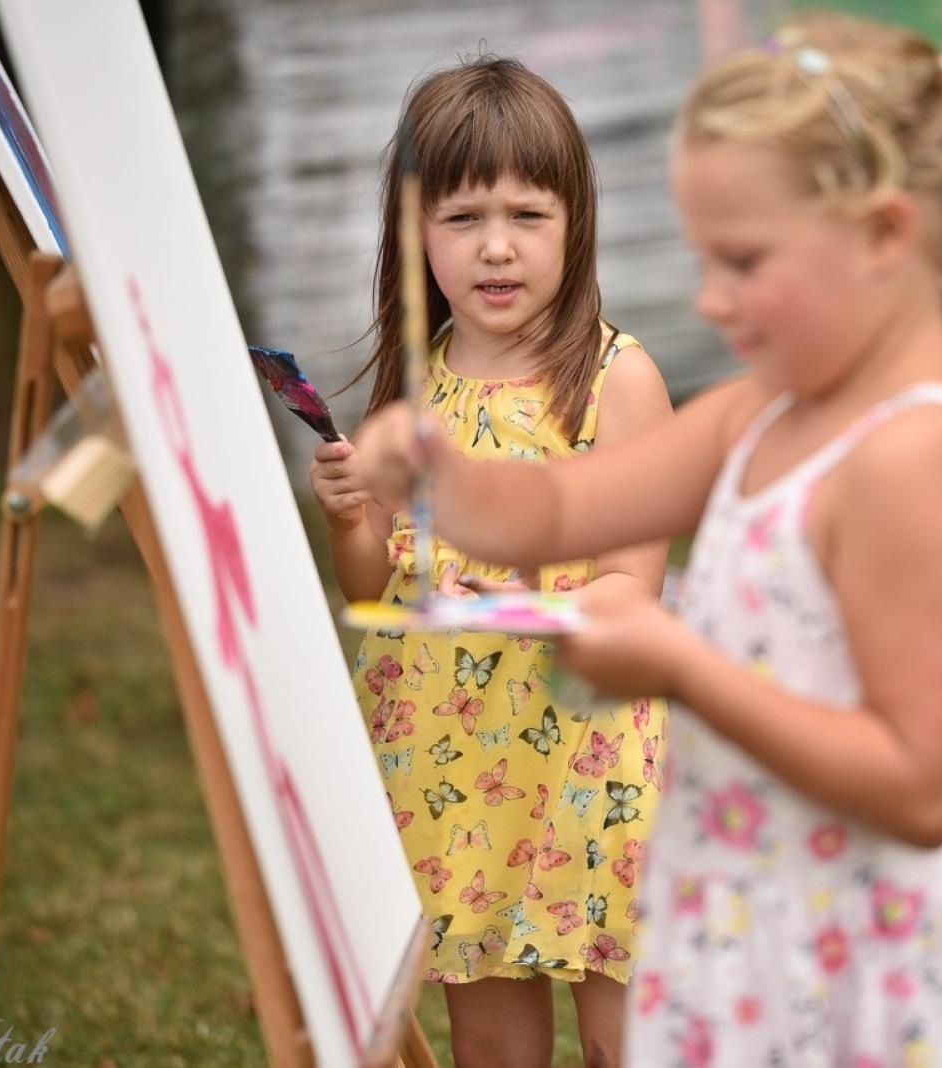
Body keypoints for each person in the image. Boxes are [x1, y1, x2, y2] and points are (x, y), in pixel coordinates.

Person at [350, 13, 942, 1066]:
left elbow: (921, 786)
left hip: (866, 977)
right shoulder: (761, 412)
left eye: (743, 260)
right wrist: (443, 478)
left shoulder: (917, 463)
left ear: (885, 235)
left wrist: (681, 669)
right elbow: (563, 511)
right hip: (745, 938)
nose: (709, 298)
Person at [308, 55, 673, 1068]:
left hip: (590, 761)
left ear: (575, 223)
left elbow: (630, 580)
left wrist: (515, 600)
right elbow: (371, 585)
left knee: (626, 1034)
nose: (496, 248)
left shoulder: (615, 380)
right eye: (462, 218)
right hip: (457, 765)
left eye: (527, 215)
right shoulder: (408, 403)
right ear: (415, 234)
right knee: (493, 1039)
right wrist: (348, 519)